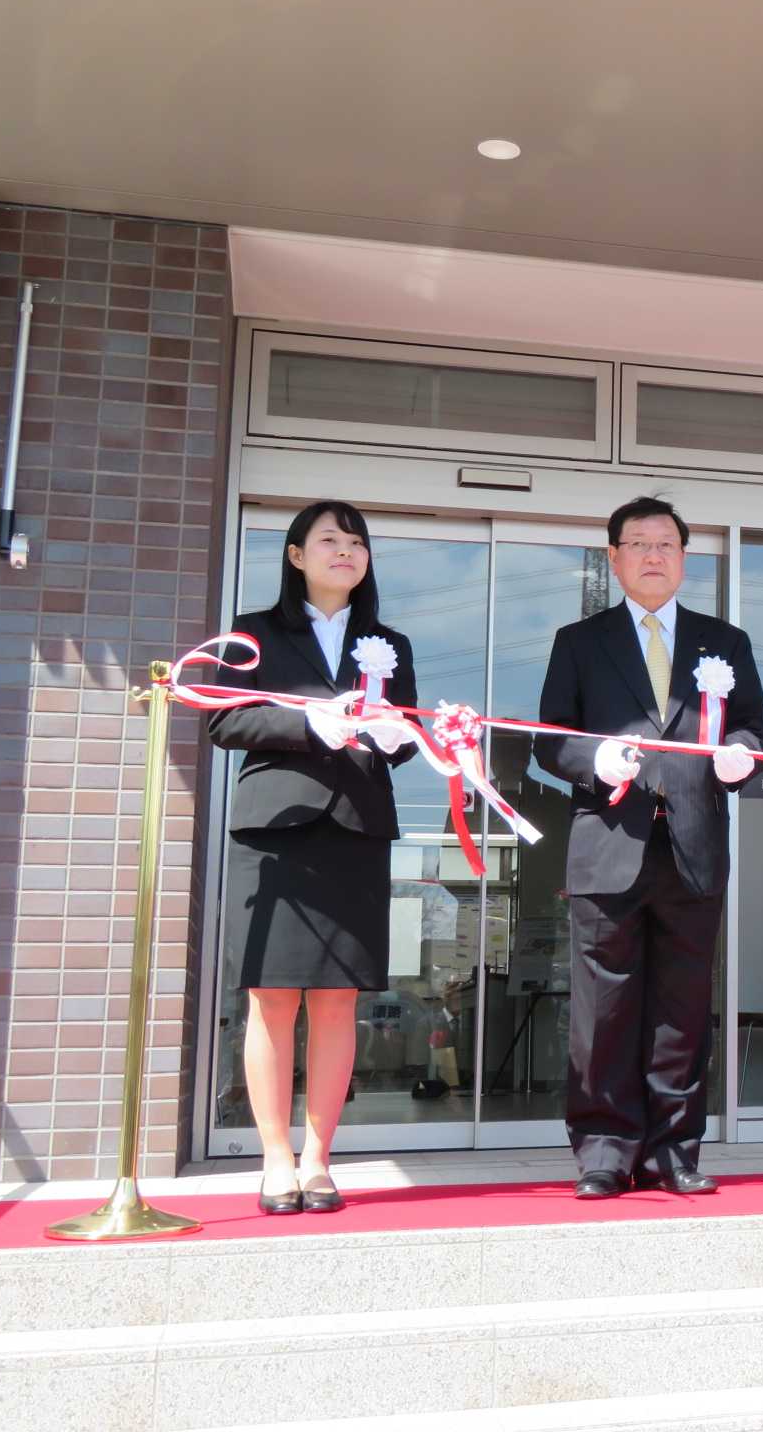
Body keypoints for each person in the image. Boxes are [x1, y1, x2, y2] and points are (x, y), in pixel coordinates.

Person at [535, 497, 763, 1198]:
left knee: (682, 1008)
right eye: (637, 544)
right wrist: (594, 760)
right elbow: (552, 739)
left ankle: (674, 1149)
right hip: (609, 844)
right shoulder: (579, 641)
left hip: (693, 844)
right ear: (614, 558)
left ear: (685, 559)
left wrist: (743, 755)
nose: (653, 555)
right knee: (603, 1010)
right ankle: (604, 1149)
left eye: (666, 544)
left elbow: (755, 730)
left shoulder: (725, 642)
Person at [210, 500, 417, 1215]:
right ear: (295, 554)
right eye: (329, 539)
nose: (346, 551)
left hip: (357, 829)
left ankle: (320, 1159)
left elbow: (409, 731)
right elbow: (224, 716)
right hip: (276, 832)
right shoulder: (254, 632)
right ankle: (273, 1159)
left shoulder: (389, 641)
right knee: (271, 999)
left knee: (338, 1001)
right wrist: (308, 720)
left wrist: (397, 733)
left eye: (356, 542)